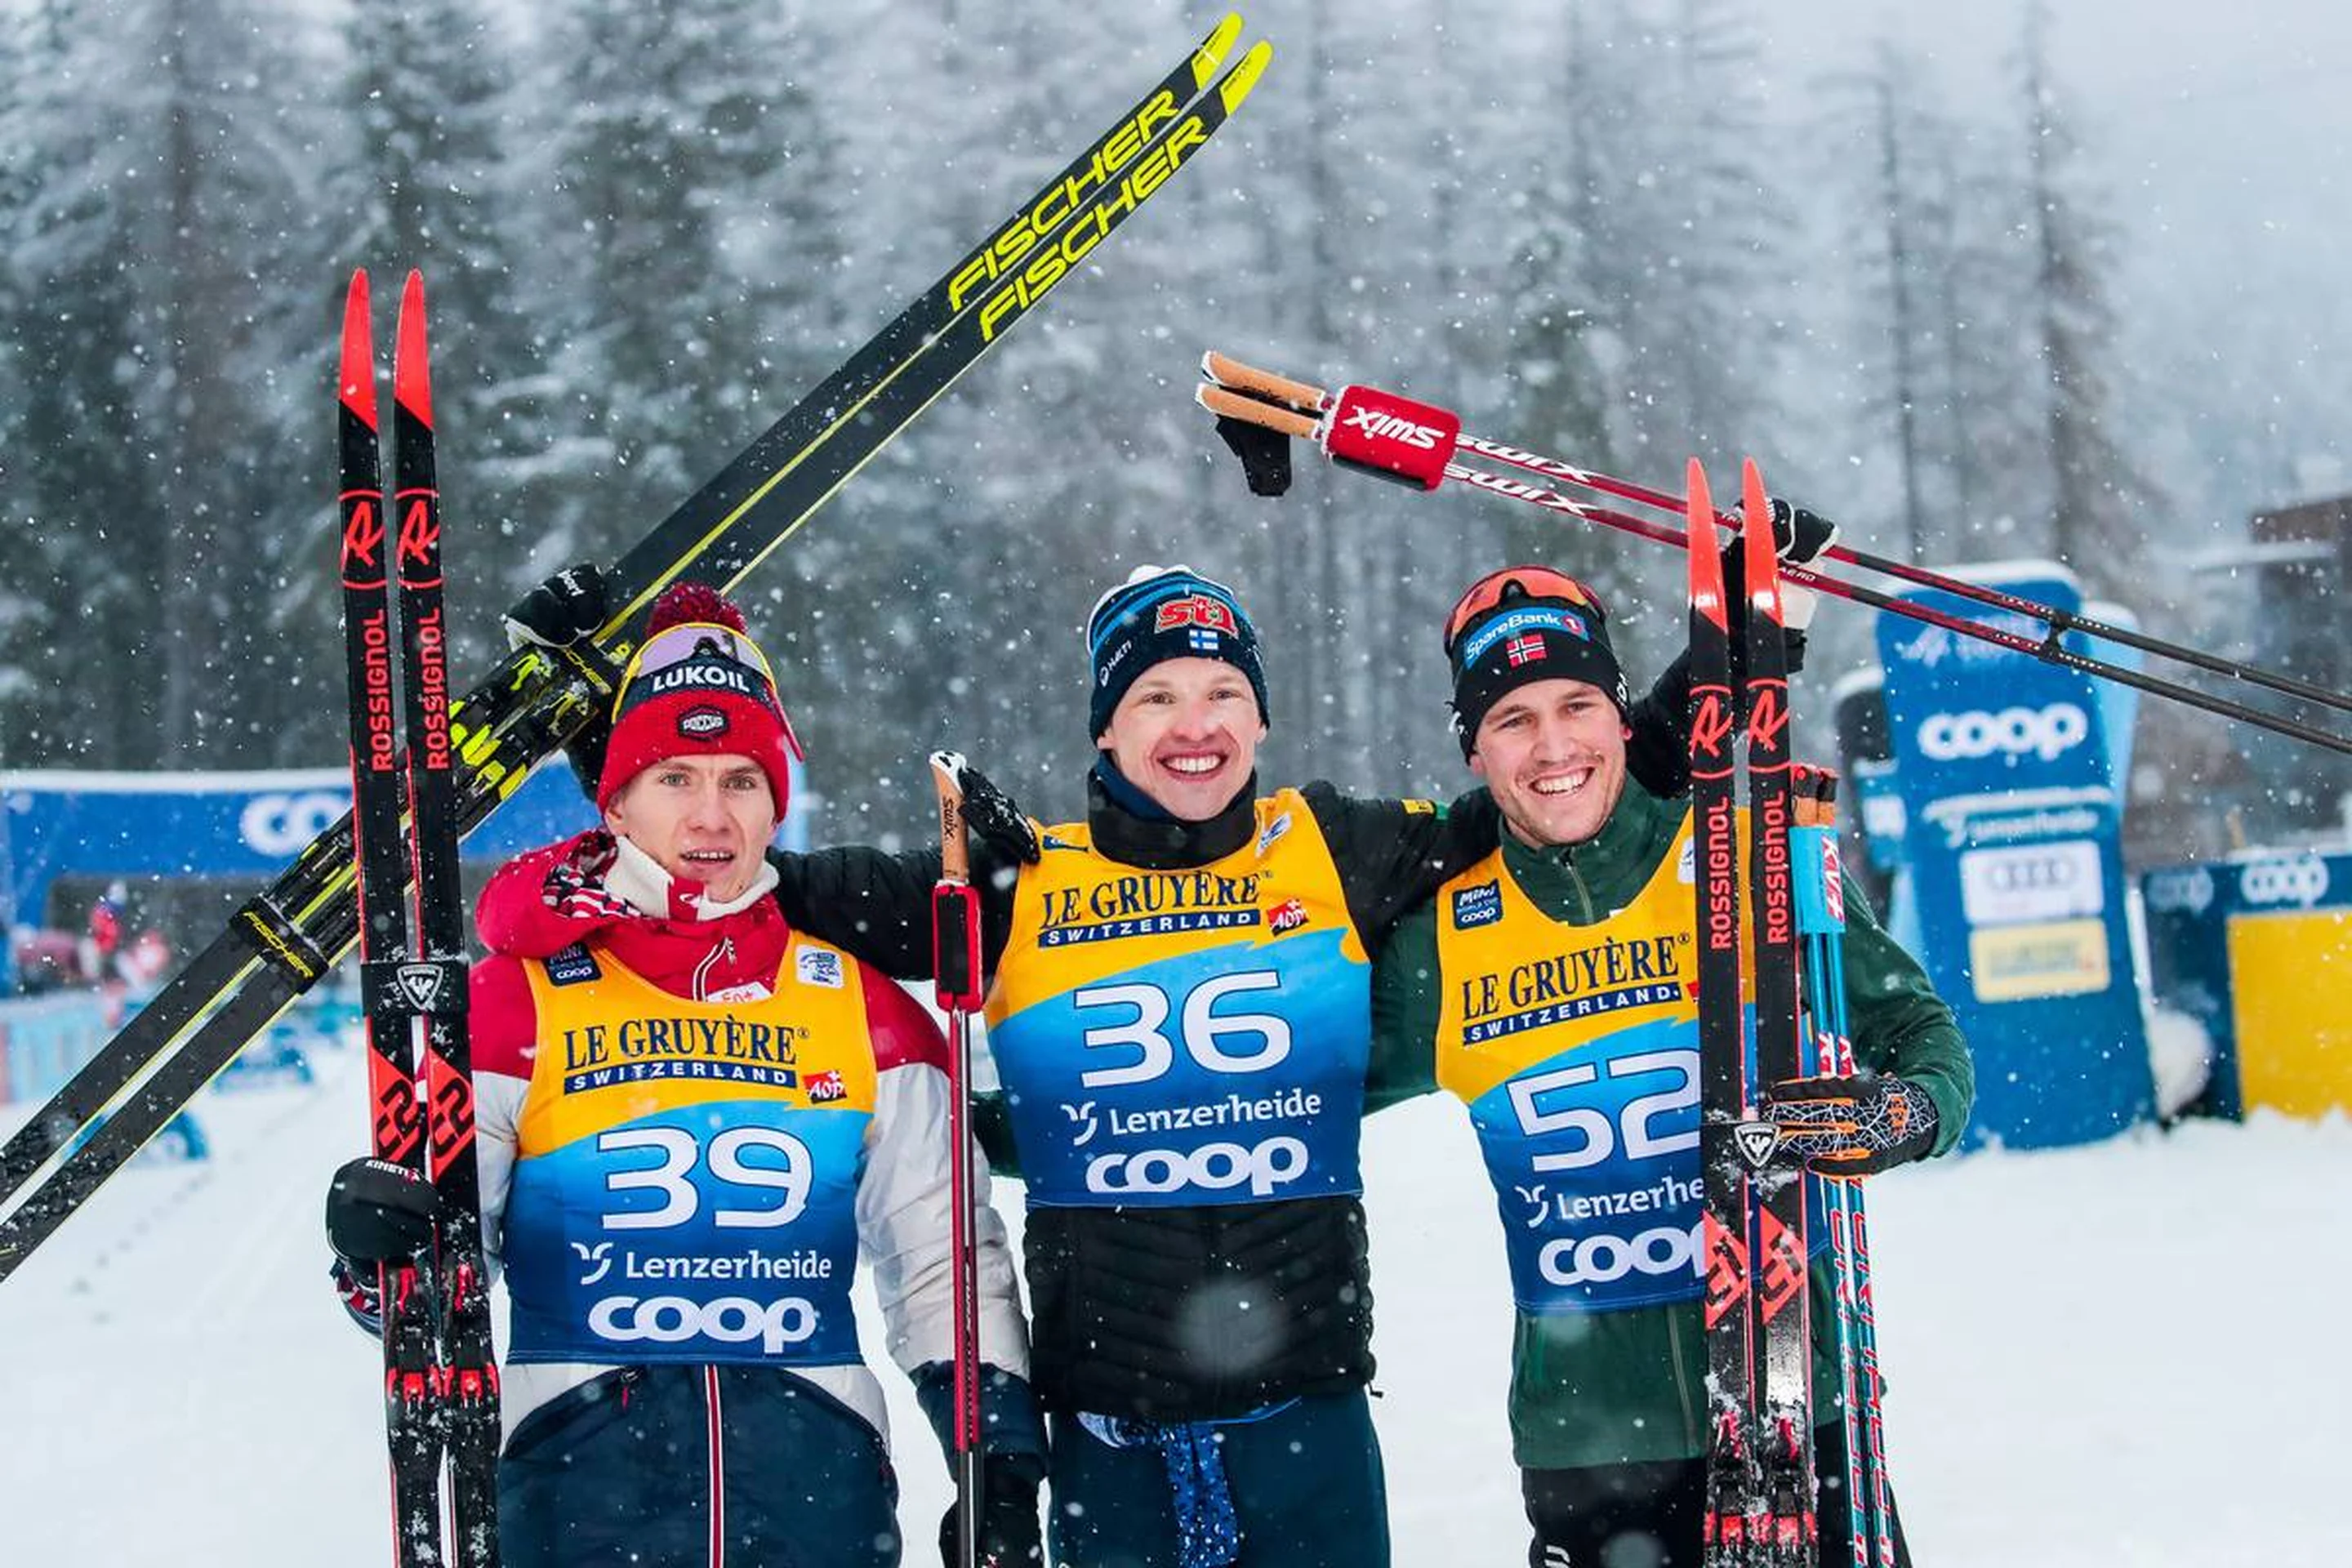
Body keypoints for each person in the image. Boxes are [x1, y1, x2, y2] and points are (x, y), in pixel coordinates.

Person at [483, 555, 1799, 1568]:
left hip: (1311, 1422)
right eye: (1156, 694)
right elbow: (710, 883)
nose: (1194, 721)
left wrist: (1678, 717)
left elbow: (1537, 801)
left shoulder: (1329, 849)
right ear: (1106, 727)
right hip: (1104, 1433)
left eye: (1225, 691)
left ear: (1263, 719)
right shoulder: (1005, 883)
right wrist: (610, 748)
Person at [325, 581, 1048, 1568]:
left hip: (814, 1496)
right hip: (579, 1497)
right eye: (675, 778)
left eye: (741, 781)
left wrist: (996, 1471)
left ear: (775, 803)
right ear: (615, 797)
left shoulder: (868, 1012)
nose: (712, 815)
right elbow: (433, 1293)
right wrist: (382, 1254)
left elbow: (942, 1267)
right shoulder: (514, 1004)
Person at [1366, 567, 1976, 1568]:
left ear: (1620, 717)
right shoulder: (1442, 942)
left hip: (1794, 1400)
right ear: (1474, 748)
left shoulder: (1747, 857)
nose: (1554, 746)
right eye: (1514, 720)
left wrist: (1907, 1113)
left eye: (1577, 706)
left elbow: (1917, 1028)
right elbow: (1274, 1106)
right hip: (1590, 1443)